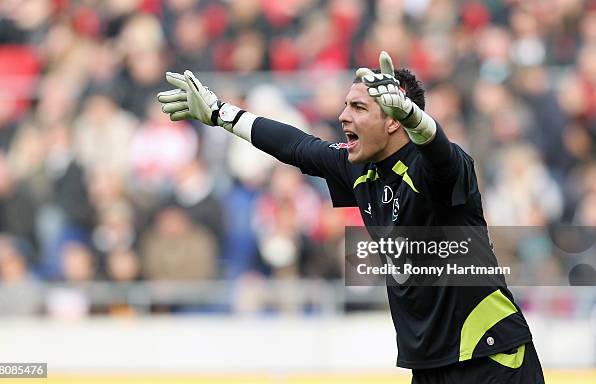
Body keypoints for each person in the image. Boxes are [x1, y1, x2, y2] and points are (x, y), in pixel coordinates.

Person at [156, 51, 545, 383]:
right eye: (346, 105)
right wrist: (220, 113)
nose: (343, 116)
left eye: (358, 107)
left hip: (491, 355)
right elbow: (296, 146)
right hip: (429, 365)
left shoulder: (438, 167)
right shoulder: (358, 166)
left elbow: (439, 151)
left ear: (393, 119)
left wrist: (414, 117)